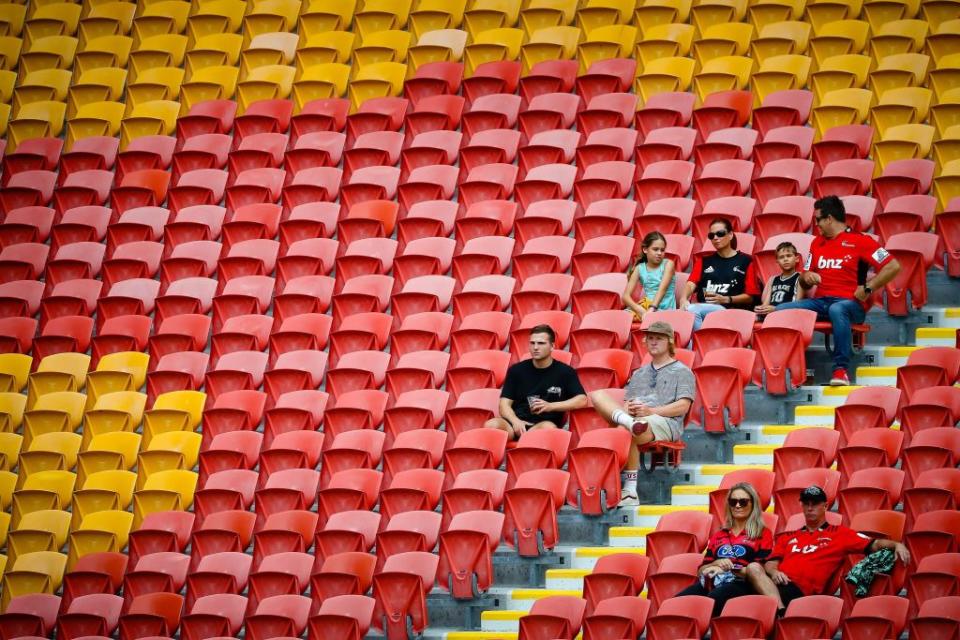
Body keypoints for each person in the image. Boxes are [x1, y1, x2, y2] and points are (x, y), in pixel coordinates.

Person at [775, 195, 901, 386]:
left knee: (837, 309)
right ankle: (785, 368)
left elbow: (893, 266)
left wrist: (869, 287)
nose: (815, 224)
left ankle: (840, 370)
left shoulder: (861, 241)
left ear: (829, 219)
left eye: (818, 219)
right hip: (820, 303)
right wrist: (806, 278)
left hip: (851, 305)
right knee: (780, 310)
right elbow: (804, 275)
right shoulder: (816, 243)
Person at [751, 485, 910, 617]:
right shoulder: (788, 536)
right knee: (733, 591)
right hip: (775, 583)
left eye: (815, 503)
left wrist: (896, 545)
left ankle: (780, 612)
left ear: (825, 506)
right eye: (806, 503)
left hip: (800, 590)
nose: (810, 507)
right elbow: (771, 563)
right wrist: (774, 573)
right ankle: (779, 613)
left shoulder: (840, 534)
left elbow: (873, 544)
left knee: (755, 604)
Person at [589, 320, 696, 506]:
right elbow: (628, 401)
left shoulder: (682, 371)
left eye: (659, 338)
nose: (653, 342)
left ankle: (630, 490)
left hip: (664, 421)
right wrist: (627, 409)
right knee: (596, 395)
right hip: (635, 419)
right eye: (650, 338)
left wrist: (650, 411)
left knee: (625, 430)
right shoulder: (639, 373)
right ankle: (627, 421)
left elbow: (683, 407)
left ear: (670, 341)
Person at [675, 482, 775, 617]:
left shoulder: (762, 534)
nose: (737, 505)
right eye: (733, 502)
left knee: (712, 600)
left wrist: (730, 568)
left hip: (742, 584)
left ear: (753, 505)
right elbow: (700, 571)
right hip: (712, 581)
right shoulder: (719, 535)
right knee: (676, 603)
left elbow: (760, 573)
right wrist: (716, 564)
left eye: (743, 502)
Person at [484, 324, 588, 440]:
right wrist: (515, 422)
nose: (535, 347)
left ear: (552, 346)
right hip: (515, 425)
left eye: (541, 343)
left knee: (548, 428)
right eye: (532, 343)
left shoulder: (565, 372)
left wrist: (550, 406)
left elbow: (582, 400)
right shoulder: (516, 370)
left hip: (542, 425)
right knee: (491, 425)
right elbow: (504, 405)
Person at [679, 218, 761, 331]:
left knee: (692, 311)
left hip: (731, 311)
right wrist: (683, 299)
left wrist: (726, 299)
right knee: (684, 312)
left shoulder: (745, 261)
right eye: (711, 236)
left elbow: (750, 297)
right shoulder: (704, 261)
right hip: (704, 309)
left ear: (731, 235)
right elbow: (690, 284)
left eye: (720, 234)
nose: (716, 238)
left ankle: (701, 343)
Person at [623, 231, 677, 320]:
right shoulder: (639, 268)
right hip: (646, 308)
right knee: (621, 317)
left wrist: (652, 309)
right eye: (655, 249)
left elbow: (662, 290)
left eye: (662, 250)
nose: (659, 253)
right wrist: (640, 310)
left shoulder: (668, 264)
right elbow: (625, 297)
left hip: (665, 310)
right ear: (645, 250)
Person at [755, 241, 804, 316]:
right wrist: (761, 309)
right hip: (770, 314)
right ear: (777, 261)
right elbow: (766, 303)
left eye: (789, 256)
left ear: (797, 259)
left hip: (788, 314)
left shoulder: (800, 277)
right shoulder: (773, 279)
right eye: (781, 257)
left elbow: (797, 304)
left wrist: (776, 309)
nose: (785, 259)